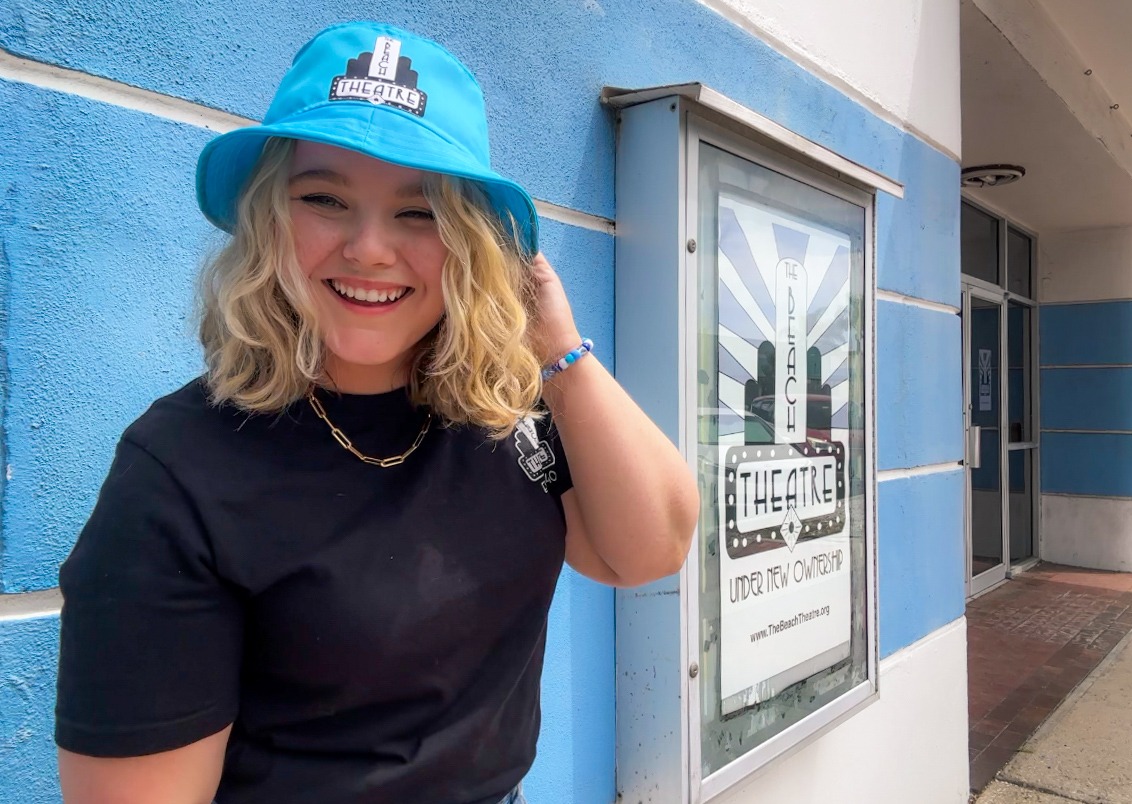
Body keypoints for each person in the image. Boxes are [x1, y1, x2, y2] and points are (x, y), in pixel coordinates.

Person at [53, 21, 698, 804]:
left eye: (418, 212)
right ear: (268, 221)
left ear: (473, 243)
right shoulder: (178, 469)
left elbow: (646, 551)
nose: (368, 248)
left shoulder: (504, 406)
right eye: (324, 199)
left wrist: (557, 348)